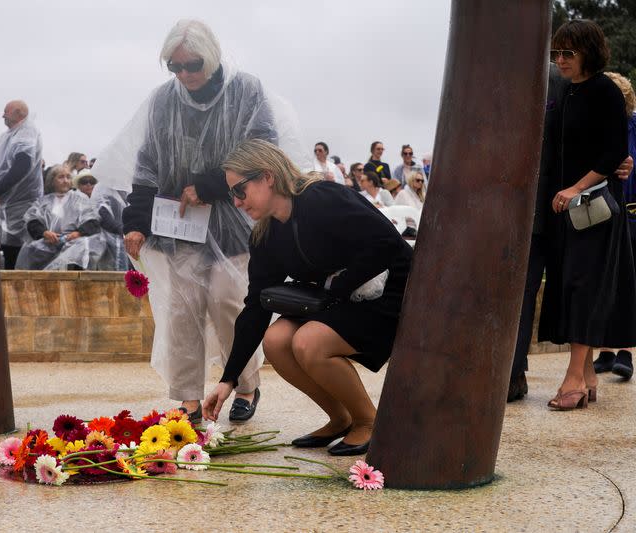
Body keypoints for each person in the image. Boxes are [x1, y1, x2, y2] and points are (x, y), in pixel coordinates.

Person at [93, 19, 303, 422]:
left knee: (229, 302)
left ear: (211, 58)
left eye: (192, 65)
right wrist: (136, 220)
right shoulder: (163, 101)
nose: (185, 75)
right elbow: (147, 163)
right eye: (175, 67)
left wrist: (209, 186)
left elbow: (263, 150)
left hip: (238, 218)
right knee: (182, 309)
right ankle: (188, 398)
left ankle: (245, 384)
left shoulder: (246, 91)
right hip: (181, 225)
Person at [202, 139, 412, 456]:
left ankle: (369, 420)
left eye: (239, 190)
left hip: (385, 296)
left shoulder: (321, 198)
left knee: (308, 342)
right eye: (232, 194)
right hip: (337, 301)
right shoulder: (266, 235)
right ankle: (340, 417)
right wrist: (229, 380)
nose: (236, 202)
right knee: (275, 340)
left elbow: (390, 246)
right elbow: (255, 306)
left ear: (267, 176)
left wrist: (335, 285)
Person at [540, 19, 636, 410]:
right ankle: (590, 375)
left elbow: (614, 151)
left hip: (592, 207)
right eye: (556, 53)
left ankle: (574, 377)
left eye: (568, 53)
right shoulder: (568, 92)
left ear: (588, 53)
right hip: (567, 208)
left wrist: (577, 187)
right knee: (571, 285)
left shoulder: (605, 91)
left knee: (584, 287)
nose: (560, 60)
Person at [592, 71, 636, 380]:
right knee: (602, 279)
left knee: (629, 281)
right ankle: (605, 350)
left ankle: (627, 352)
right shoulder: (597, 126)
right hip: (604, 209)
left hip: (632, 212)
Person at [15, 164, 103, 270]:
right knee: (30, 249)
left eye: (68, 177)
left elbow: (92, 221)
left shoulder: (80, 199)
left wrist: (78, 233)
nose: (65, 180)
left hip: (74, 243)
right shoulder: (43, 202)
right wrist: (45, 233)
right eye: (61, 177)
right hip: (47, 242)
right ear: (52, 180)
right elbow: (32, 221)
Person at [0, 100, 44, 269]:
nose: (3, 116)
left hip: (22, 203)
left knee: (18, 250)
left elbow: (23, 164)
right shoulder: (13, 134)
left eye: (6, 112)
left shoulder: (26, 132)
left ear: (18, 113)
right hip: (11, 205)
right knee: (10, 246)